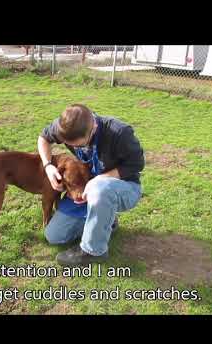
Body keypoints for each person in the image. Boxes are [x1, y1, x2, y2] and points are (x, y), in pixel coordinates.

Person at [38, 104, 145, 266]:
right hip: (89, 191)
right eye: (69, 144)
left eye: (80, 145)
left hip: (124, 187)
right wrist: (48, 166)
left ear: (93, 128)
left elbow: (136, 165)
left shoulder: (120, 132)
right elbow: (43, 139)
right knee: (54, 236)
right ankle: (107, 221)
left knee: (99, 189)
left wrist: (98, 180)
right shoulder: (65, 127)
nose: (75, 148)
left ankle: (93, 251)